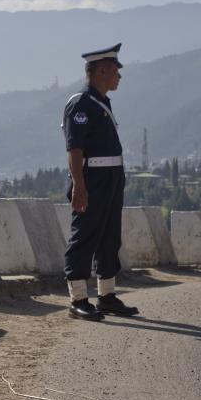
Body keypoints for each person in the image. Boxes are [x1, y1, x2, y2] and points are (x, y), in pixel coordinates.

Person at [61, 44, 140, 321]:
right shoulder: (81, 103)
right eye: (115, 70)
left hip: (111, 178)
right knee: (85, 236)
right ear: (102, 70)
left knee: (110, 237)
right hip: (92, 178)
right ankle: (78, 299)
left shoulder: (101, 102)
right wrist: (79, 186)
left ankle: (106, 295)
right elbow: (75, 150)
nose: (119, 75)